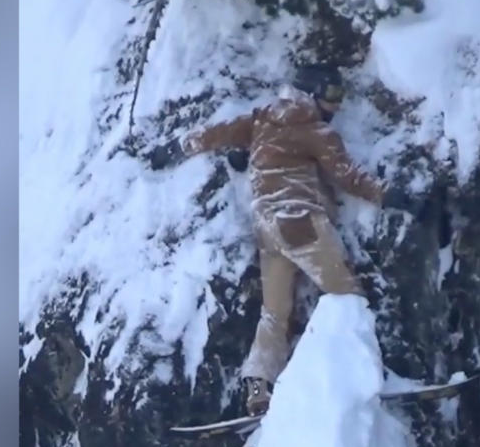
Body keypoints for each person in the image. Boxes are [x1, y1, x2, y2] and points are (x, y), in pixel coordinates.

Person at [150, 65, 420, 415]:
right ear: (312, 93)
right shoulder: (316, 131)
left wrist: (175, 148)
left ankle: (259, 387)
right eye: (332, 96)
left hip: (266, 228)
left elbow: (215, 134)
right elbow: (348, 177)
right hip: (300, 220)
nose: (336, 105)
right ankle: (363, 376)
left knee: (274, 314)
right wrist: (394, 196)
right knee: (347, 298)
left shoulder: (261, 121)